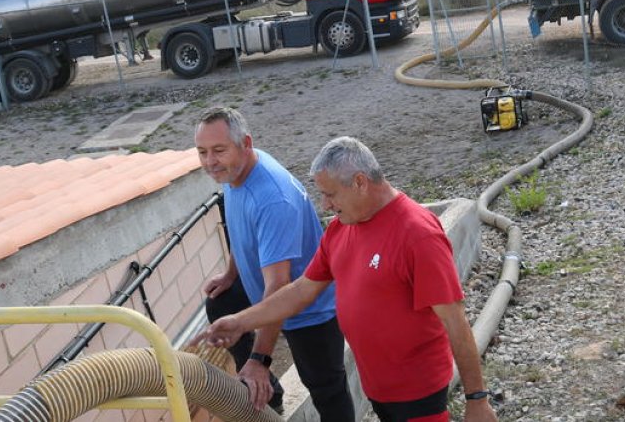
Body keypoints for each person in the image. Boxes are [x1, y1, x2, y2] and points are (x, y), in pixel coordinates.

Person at [195, 136, 499, 422]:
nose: (325, 205)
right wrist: (240, 322)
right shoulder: (342, 229)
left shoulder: (417, 234)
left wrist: (477, 398)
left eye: (330, 194)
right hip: (377, 388)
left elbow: (455, 321)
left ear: (359, 183)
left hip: (417, 393)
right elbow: (300, 291)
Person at [194, 107, 354, 421]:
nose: (209, 162)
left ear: (246, 143)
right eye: (202, 152)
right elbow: (242, 231)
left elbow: (278, 287)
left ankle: (260, 378)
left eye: (218, 151)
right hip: (269, 287)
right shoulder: (233, 171)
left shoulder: (272, 198)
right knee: (221, 302)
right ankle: (270, 396)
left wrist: (260, 359)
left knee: (327, 389)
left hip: (309, 307)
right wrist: (230, 274)